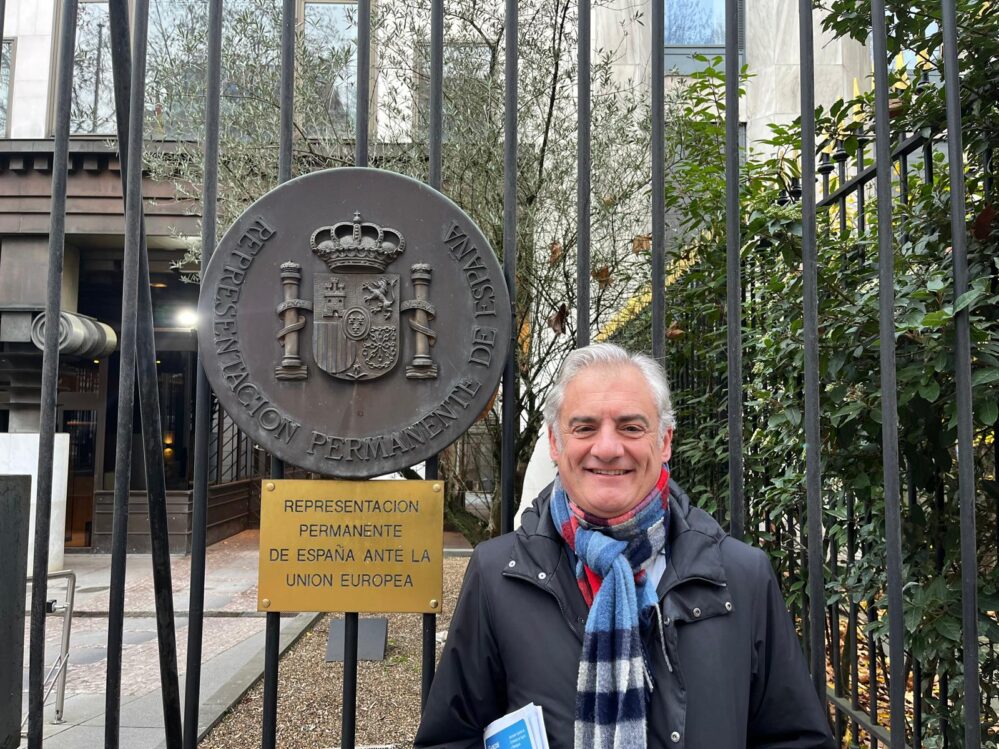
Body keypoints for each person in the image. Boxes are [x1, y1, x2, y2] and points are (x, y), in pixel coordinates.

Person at [415, 343, 834, 749]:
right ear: (557, 444)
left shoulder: (742, 576)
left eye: (631, 427)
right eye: (585, 427)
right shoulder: (497, 575)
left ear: (665, 441)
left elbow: (795, 738)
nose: (608, 448)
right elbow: (452, 737)